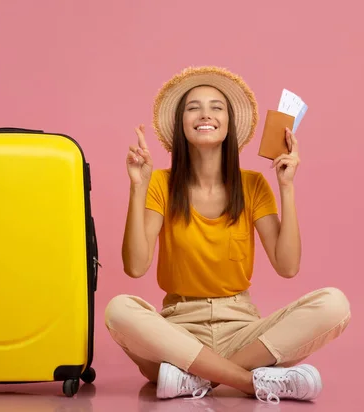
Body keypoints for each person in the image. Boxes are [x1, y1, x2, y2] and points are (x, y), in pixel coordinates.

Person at [104, 66, 351, 405]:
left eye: (216, 107)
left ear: (230, 124)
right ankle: (250, 382)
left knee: (335, 304)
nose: (205, 113)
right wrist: (138, 186)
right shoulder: (160, 183)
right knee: (119, 309)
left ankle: (194, 379)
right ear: (181, 124)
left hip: (242, 331)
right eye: (193, 107)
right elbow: (135, 266)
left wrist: (286, 187)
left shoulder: (252, 185)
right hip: (177, 332)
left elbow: (287, 265)